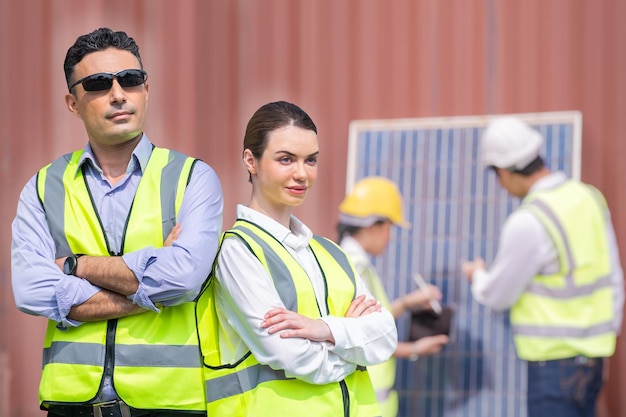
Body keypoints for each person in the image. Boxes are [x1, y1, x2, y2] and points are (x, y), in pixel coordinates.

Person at [11, 28, 223, 417]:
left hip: (167, 403)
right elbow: (30, 290)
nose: (118, 93)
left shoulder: (193, 178)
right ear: (72, 103)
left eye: (130, 79)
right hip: (71, 404)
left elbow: (186, 278)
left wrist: (77, 266)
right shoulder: (43, 187)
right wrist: (152, 285)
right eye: (97, 83)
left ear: (146, 89)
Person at [194, 100, 398, 416]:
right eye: (286, 159)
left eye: (311, 160)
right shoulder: (238, 251)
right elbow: (290, 354)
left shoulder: (332, 253)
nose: (301, 174)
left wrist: (325, 329)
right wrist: (352, 345)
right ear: (251, 160)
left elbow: (385, 336)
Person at [461, 116, 624, 417]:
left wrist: (477, 276)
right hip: (594, 359)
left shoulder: (529, 220)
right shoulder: (589, 198)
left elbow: (498, 295)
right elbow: (613, 277)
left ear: (503, 171)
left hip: (553, 368)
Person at [336, 176, 450, 417]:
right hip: (365, 405)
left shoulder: (352, 263)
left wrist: (408, 303)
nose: (389, 237)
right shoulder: (354, 268)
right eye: (389, 228)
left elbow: (373, 318)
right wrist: (416, 348)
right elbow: (363, 338)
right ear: (373, 225)